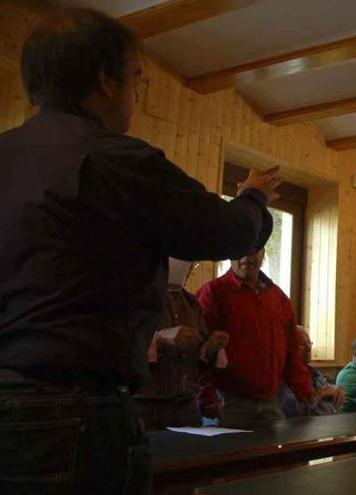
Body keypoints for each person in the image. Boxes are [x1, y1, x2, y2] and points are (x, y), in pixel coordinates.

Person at [0, 8, 279, 494]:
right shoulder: (115, 160)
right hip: (74, 414)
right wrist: (253, 196)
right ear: (108, 80)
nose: (135, 93)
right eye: (136, 79)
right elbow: (226, 231)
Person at [197, 248, 314, 428]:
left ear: (263, 252)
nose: (245, 257)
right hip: (226, 404)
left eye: (253, 251)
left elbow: (292, 349)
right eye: (240, 250)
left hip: (271, 402)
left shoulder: (279, 298)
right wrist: (206, 397)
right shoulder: (213, 293)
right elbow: (200, 350)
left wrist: (303, 388)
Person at [134, 258, 229, 429]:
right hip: (147, 408)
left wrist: (209, 349)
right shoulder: (137, 300)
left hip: (186, 408)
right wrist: (159, 338)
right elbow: (123, 349)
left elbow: (199, 363)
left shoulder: (191, 304)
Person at [280, 326, 345, 417]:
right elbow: (296, 412)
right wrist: (320, 394)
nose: (309, 349)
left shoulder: (313, 372)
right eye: (302, 345)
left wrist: (338, 389)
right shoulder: (284, 377)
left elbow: (328, 388)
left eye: (309, 344)